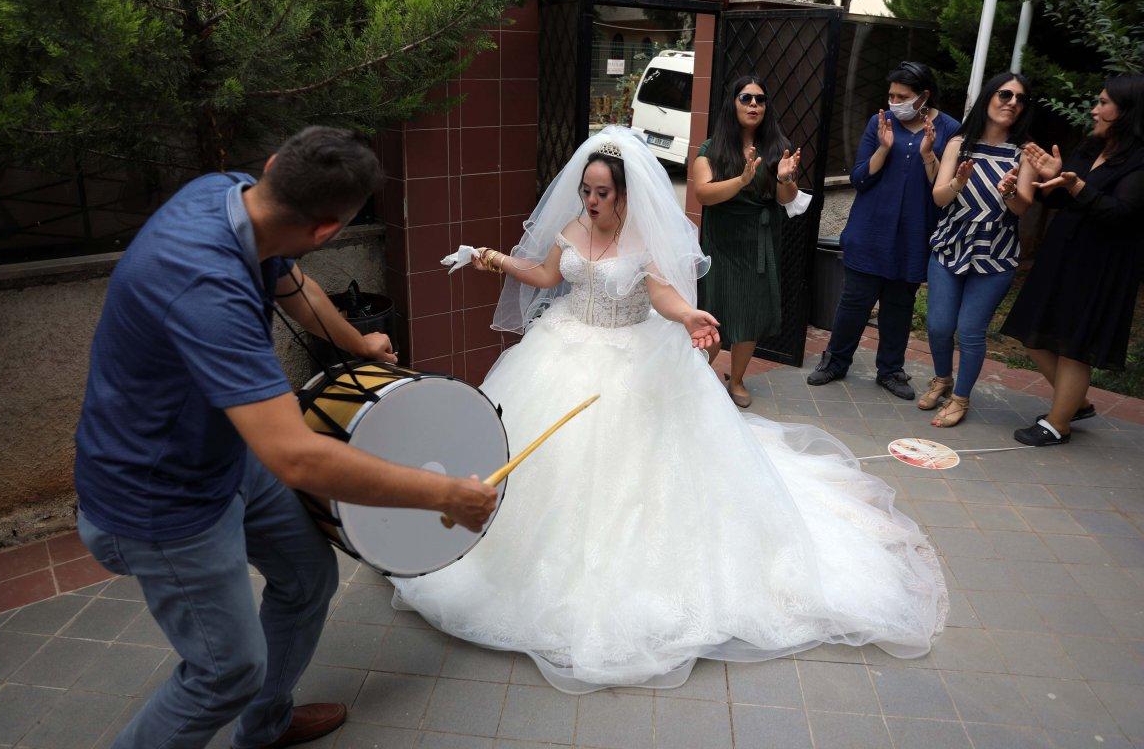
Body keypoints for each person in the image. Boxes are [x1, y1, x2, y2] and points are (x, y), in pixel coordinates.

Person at [401, 126, 948, 694]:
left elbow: (661, 293)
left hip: (630, 361)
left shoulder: (642, 238)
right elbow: (544, 275)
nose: (591, 201)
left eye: (602, 193)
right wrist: (489, 258)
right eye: (586, 191)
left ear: (625, 194)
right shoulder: (574, 228)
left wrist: (688, 315)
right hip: (562, 347)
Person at [74, 126, 498, 749]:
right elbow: (295, 457)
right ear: (327, 230)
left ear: (274, 166)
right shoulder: (207, 288)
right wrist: (444, 494)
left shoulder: (230, 195)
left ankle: (265, 727)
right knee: (223, 674)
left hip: (222, 458)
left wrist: (361, 346)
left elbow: (294, 287)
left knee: (306, 577)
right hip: (159, 498)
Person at [1001, 75, 1144, 446]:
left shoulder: (1139, 160)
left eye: (1104, 103)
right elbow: (1063, 198)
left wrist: (1076, 185)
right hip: (1062, 255)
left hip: (1100, 266)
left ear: (1127, 111)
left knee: (1073, 346)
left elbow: (1122, 213)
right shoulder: (1092, 146)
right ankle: (1075, 403)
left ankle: (1058, 424)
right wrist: (1050, 180)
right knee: (1033, 334)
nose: (1094, 110)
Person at [808, 61, 961, 399]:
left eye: (902, 97)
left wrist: (927, 154)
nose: (894, 102)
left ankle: (890, 370)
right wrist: (883, 147)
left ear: (923, 96)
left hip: (914, 234)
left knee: (899, 306)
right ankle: (835, 361)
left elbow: (943, 189)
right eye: (891, 95)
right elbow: (859, 178)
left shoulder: (950, 129)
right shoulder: (880, 123)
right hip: (870, 230)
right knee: (854, 302)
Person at [921, 72, 1036, 427]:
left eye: (1020, 99)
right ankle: (942, 379)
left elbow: (1022, 207)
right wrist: (958, 181)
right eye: (1005, 95)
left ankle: (960, 398)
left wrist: (1009, 191)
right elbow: (939, 198)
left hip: (995, 253)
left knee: (970, 330)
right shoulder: (959, 144)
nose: (1012, 103)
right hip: (950, 245)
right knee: (939, 326)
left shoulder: (1024, 152)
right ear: (988, 97)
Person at [693, 76, 805, 407]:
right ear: (733, 103)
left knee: (751, 313)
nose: (754, 104)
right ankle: (696, 377)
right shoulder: (712, 149)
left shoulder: (777, 147)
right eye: (746, 98)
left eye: (760, 99)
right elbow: (703, 194)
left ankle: (738, 379)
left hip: (759, 242)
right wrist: (741, 180)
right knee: (713, 312)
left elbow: (786, 199)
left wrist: (785, 178)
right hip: (723, 243)